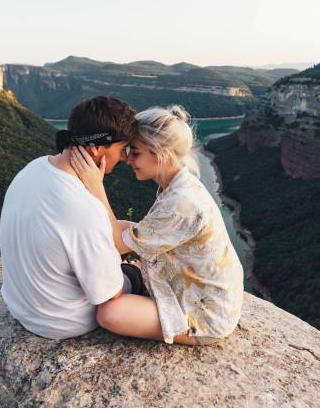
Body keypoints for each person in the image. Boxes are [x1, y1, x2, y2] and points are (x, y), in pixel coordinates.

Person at [69, 105, 243, 346]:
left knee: (108, 314)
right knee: (119, 226)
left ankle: (140, 286)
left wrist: (96, 188)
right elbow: (135, 233)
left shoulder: (181, 204)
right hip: (194, 294)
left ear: (161, 154)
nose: (128, 159)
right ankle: (137, 281)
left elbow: (119, 243)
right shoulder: (179, 183)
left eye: (136, 153)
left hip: (205, 316)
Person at [0, 96, 143, 339]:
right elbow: (110, 295)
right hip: (60, 321)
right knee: (134, 273)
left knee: (122, 232)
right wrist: (133, 271)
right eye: (122, 149)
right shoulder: (83, 209)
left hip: (20, 306)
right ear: (97, 149)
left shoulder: (32, 168)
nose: (126, 158)